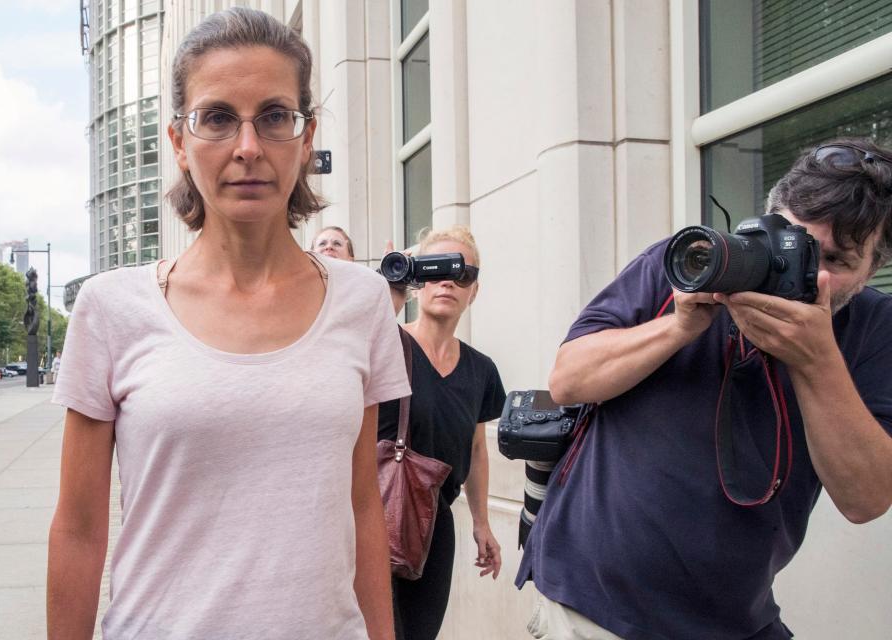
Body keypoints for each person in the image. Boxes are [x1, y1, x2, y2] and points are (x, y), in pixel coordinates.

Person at [47, 8, 409, 640]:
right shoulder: (111, 309)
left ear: (305, 135)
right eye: (217, 117)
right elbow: (79, 528)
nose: (248, 147)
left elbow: (361, 508)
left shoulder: (363, 300)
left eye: (274, 116)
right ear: (180, 142)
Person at [517, 138, 892, 640]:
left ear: (875, 267)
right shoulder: (691, 263)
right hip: (590, 603)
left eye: (836, 260)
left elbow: (865, 499)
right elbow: (567, 381)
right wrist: (676, 328)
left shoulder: (872, 327)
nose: (806, 272)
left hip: (733, 619)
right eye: (792, 242)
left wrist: (816, 358)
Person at [378, 225, 506, 640]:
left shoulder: (481, 369)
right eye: (434, 270)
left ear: (475, 291)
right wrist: (389, 293)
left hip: (436, 526)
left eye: (462, 273)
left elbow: (476, 447)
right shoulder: (385, 344)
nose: (448, 281)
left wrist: (482, 523)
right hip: (374, 518)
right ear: (417, 283)